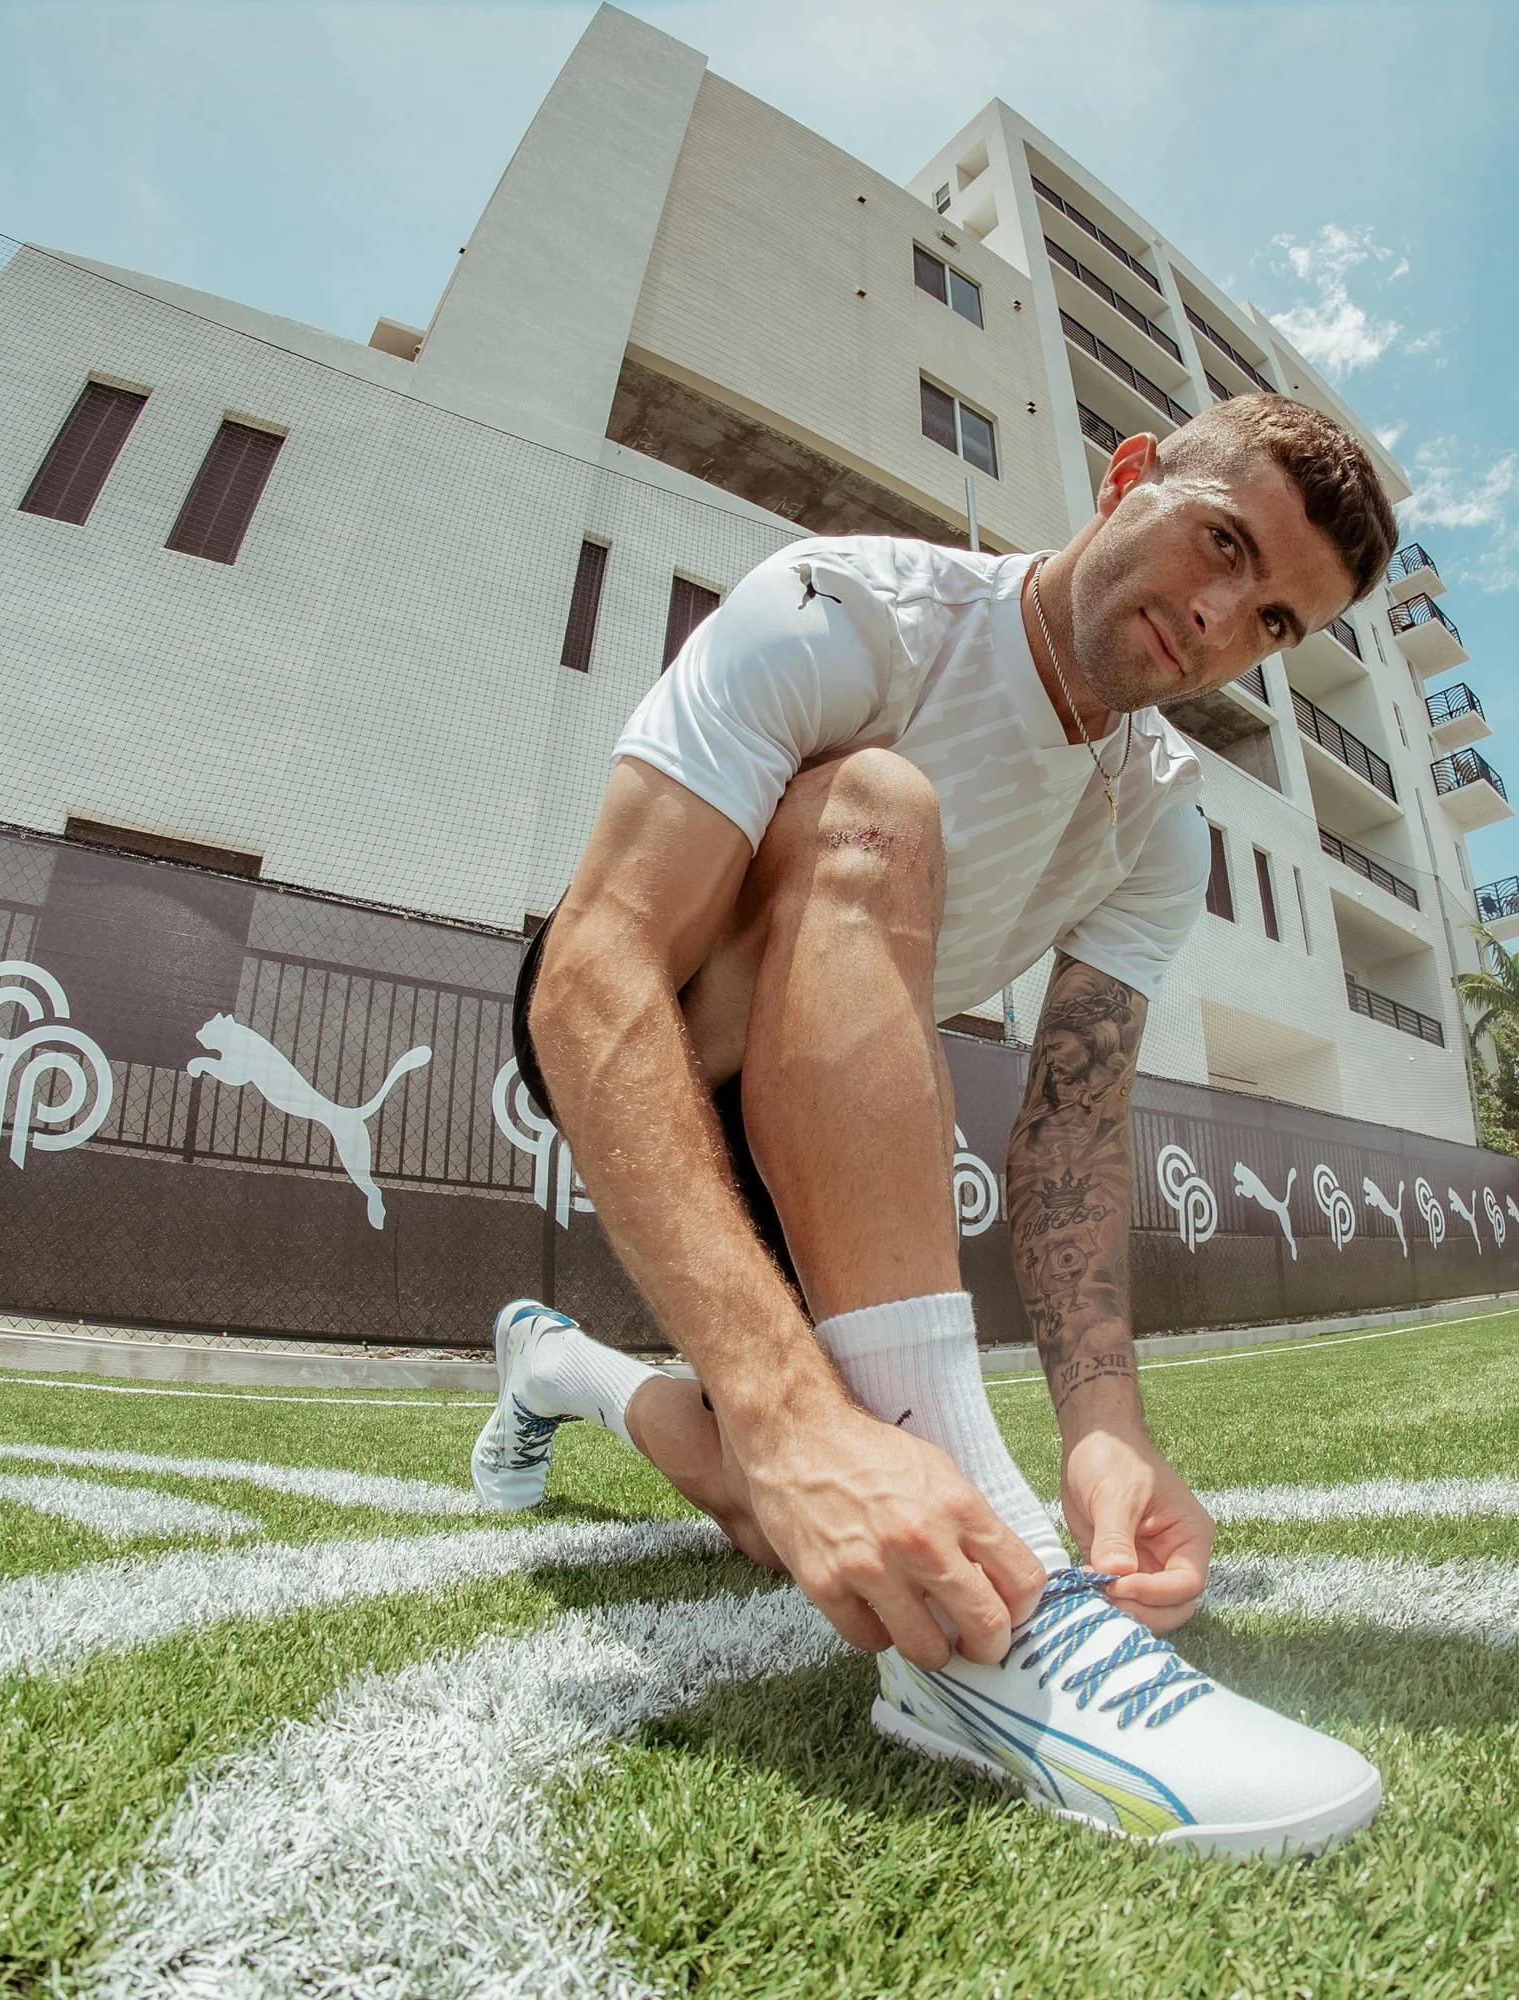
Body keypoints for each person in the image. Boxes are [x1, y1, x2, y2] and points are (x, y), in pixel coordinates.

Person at [477, 394, 1394, 1858]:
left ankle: (559, 1369)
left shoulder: (1156, 818)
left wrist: (1108, 1431)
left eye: (1274, 620)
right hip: (654, 1003)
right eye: (1221, 544)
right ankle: (999, 1631)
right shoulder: (849, 614)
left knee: (790, 1520)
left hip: (812, 1091)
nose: (1221, 617)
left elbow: (1075, 1122)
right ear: (1129, 476)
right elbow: (593, 977)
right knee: (877, 802)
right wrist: (792, 1412)